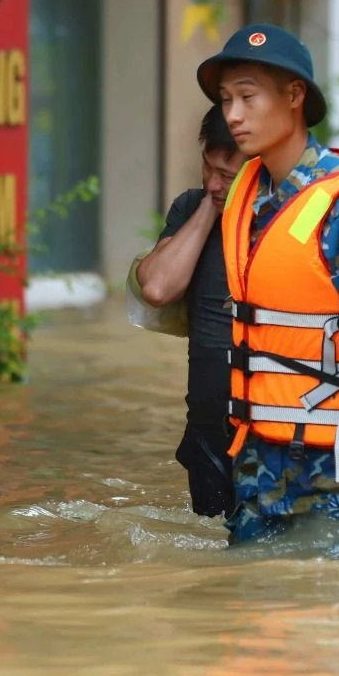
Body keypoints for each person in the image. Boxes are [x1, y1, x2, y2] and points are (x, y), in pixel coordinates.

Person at [198, 23, 339, 550]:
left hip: (336, 469)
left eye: (247, 97)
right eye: (226, 99)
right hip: (257, 464)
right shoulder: (247, 188)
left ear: (294, 97)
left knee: (329, 625)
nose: (233, 115)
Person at [130, 106, 245, 517]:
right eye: (207, 168)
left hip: (274, 435)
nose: (214, 181)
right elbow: (158, 287)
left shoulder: (289, 222)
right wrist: (212, 206)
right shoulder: (192, 208)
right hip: (208, 434)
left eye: (227, 176)